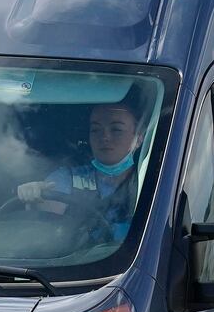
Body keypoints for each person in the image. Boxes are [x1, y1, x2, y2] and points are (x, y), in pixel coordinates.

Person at [14, 101, 142, 245]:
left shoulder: (151, 183)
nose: (105, 137)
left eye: (116, 130)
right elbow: (44, 235)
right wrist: (34, 200)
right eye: (95, 130)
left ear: (138, 138)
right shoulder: (66, 179)